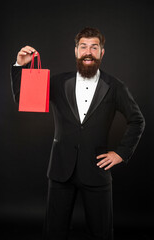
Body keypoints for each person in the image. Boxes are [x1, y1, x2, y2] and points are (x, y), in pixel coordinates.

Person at [11, 27, 145, 240]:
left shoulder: (115, 86)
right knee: (54, 232)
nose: (88, 51)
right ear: (76, 51)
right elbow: (24, 99)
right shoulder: (58, 82)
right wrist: (20, 66)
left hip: (97, 171)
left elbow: (137, 120)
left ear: (102, 52)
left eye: (94, 47)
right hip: (60, 171)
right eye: (83, 47)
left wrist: (121, 153)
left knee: (101, 233)